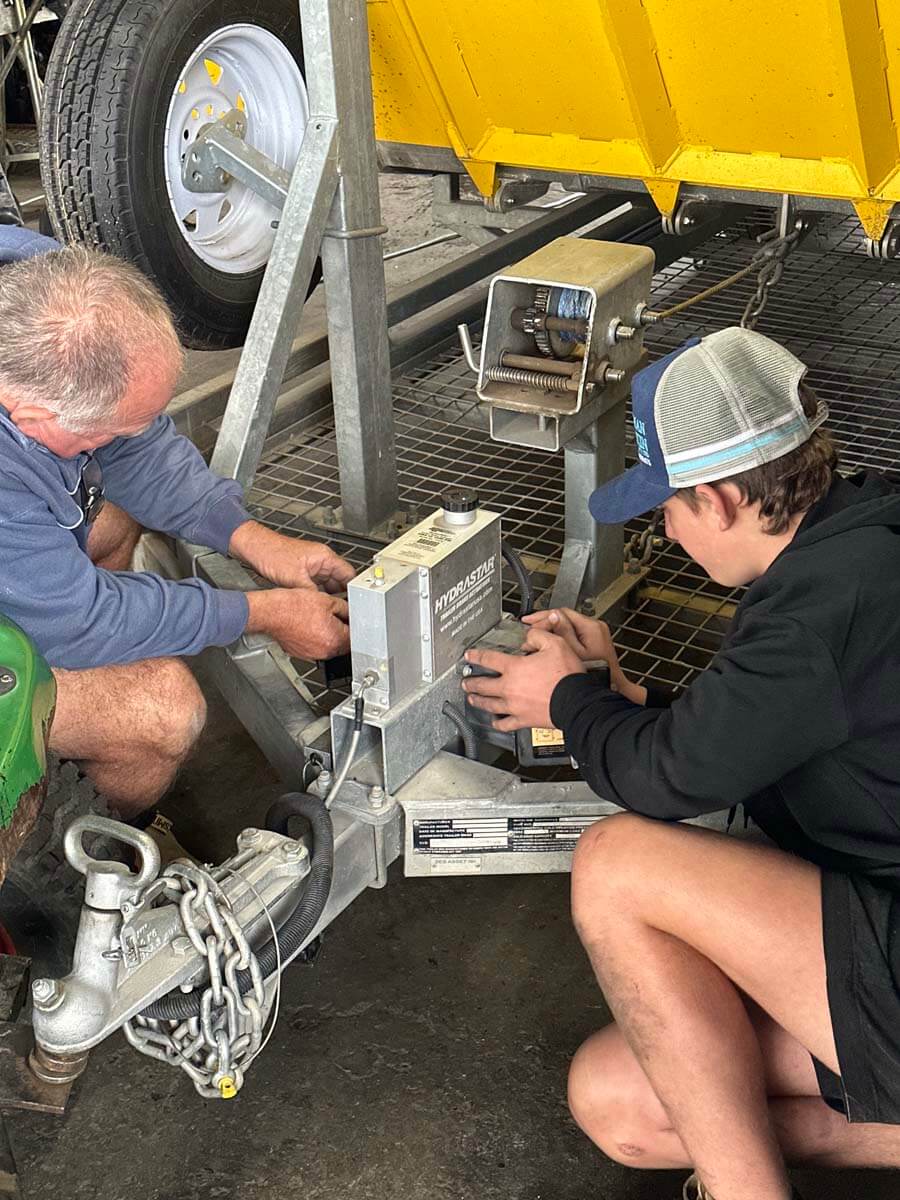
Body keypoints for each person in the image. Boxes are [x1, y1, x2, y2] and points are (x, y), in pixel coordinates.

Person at [462, 327, 900, 1200]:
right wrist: (620, 696)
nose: (663, 528)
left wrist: (568, 703)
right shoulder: (861, 538)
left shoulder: (817, 613)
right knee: (622, 1100)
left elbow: (664, 780)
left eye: (668, 506)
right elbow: (757, 733)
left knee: (616, 864)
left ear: (722, 501)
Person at [0, 245, 353, 821]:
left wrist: (250, 537)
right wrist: (263, 613)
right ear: (32, 417)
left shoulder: (41, 284)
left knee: (112, 522)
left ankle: (77, 743)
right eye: (109, 433)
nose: (124, 439)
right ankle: (80, 851)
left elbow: (139, 450)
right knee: (163, 711)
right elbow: (82, 622)